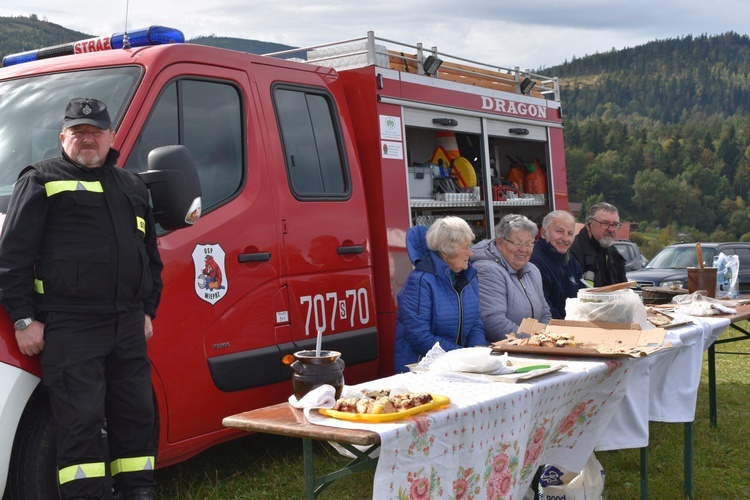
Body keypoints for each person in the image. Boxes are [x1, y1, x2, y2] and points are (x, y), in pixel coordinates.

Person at [0, 98, 163, 500]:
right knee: (80, 420)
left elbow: (150, 257)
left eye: (95, 131)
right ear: (62, 137)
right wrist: (22, 318)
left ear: (111, 137)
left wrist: (146, 309)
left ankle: (138, 492)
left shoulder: (132, 186)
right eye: (78, 132)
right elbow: (11, 257)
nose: (87, 139)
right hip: (71, 324)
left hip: (127, 323)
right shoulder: (41, 179)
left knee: (135, 415)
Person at [393, 216, 487, 373]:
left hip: (459, 366)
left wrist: (477, 350)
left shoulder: (468, 276)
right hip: (423, 370)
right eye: (465, 247)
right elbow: (419, 335)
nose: (470, 253)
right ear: (447, 250)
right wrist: (462, 355)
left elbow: (475, 322)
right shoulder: (420, 281)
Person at [470, 214, 551, 342]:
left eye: (529, 243)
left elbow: (545, 312)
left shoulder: (533, 270)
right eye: (517, 243)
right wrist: (532, 341)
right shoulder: (487, 270)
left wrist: (544, 339)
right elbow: (493, 322)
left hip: (529, 347)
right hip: (501, 351)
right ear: (500, 243)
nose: (523, 249)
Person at [530, 210, 583, 319]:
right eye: (559, 231)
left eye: (570, 233)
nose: (565, 238)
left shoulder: (571, 261)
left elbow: (583, 298)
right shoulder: (535, 263)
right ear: (544, 233)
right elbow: (545, 309)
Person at [570, 202, 627, 287]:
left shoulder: (613, 253)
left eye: (615, 225)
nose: (611, 229)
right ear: (589, 225)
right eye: (605, 223)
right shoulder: (572, 252)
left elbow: (623, 288)